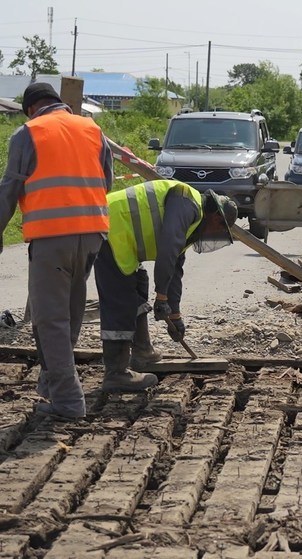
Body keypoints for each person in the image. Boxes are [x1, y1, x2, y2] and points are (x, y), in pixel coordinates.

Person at [0, 82, 113, 420]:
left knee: (50, 321)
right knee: (70, 311)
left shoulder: (28, 133)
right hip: (92, 235)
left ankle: (67, 402)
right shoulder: (92, 128)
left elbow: (9, 190)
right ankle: (51, 385)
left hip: (51, 238)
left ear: (31, 108)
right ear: (57, 103)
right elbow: (105, 181)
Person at [94, 180, 237, 393]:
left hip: (120, 239)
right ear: (216, 216)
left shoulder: (193, 221)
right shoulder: (186, 202)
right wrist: (161, 297)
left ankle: (142, 351)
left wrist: (175, 315)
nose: (214, 234)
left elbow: (175, 268)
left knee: (138, 284)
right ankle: (116, 374)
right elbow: (168, 249)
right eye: (220, 228)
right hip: (107, 228)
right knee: (121, 301)